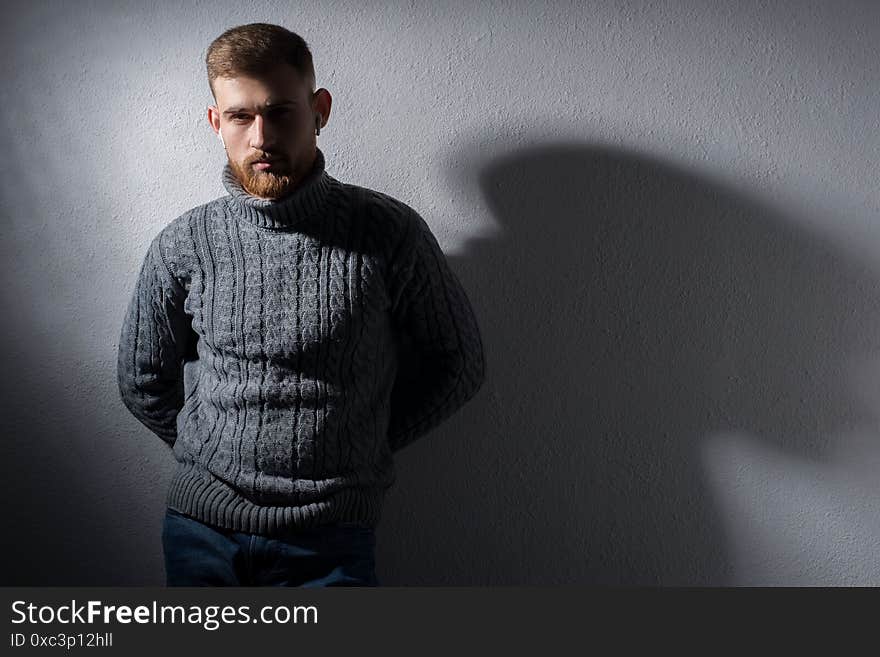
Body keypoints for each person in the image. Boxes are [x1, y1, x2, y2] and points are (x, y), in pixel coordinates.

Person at [116, 23, 486, 587]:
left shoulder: (388, 232)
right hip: (203, 532)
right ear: (216, 123)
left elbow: (458, 364)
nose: (260, 136)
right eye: (240, 116)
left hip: (332, 538)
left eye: (280, 112)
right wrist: (205, 452)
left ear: (319, 110)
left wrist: (362, 445)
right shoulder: (184, 242)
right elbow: (141, 377)